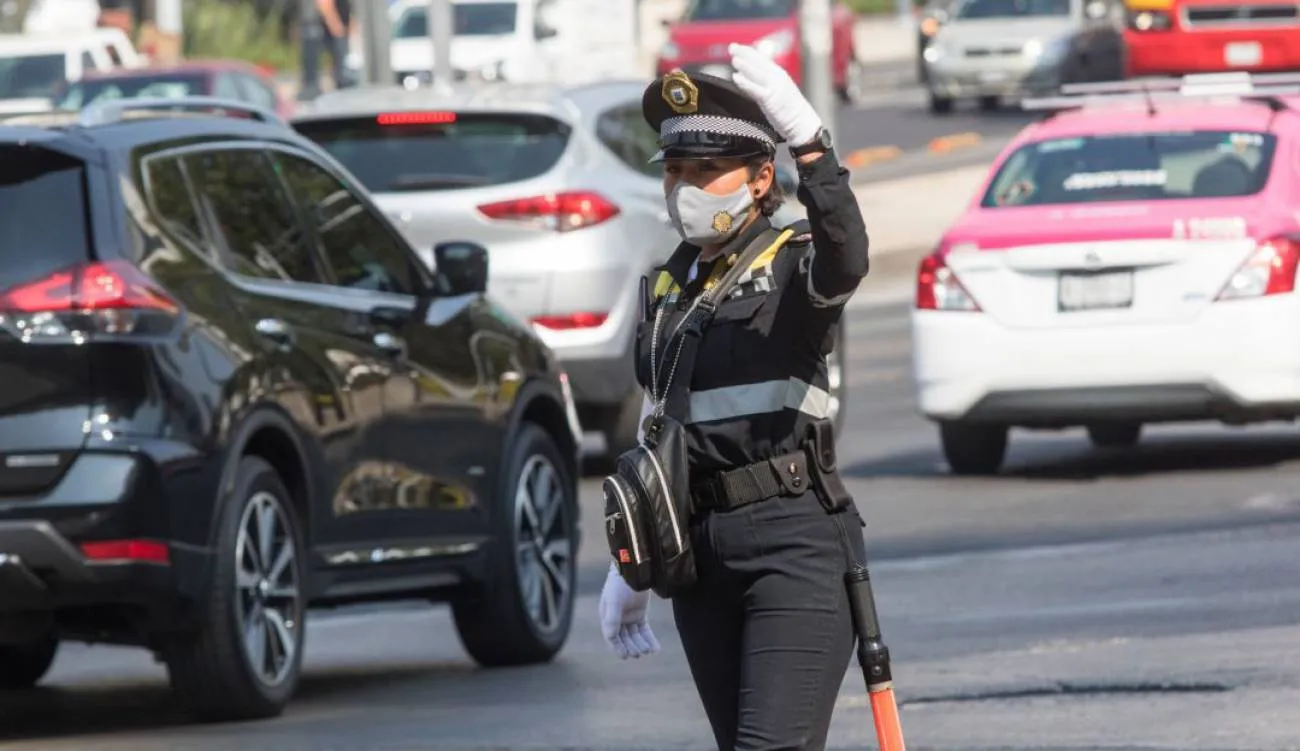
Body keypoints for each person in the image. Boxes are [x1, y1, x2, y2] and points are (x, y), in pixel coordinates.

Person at [597, 44, 871, 750]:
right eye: (677, 171)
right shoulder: (666, 289)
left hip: (793, 544)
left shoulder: (791, 265)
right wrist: (633, 558)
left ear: (757, 180)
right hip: (699, 558)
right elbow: (666, 427)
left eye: (708, 170)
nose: (686, 186)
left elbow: (848, 255)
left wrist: (811, 145)